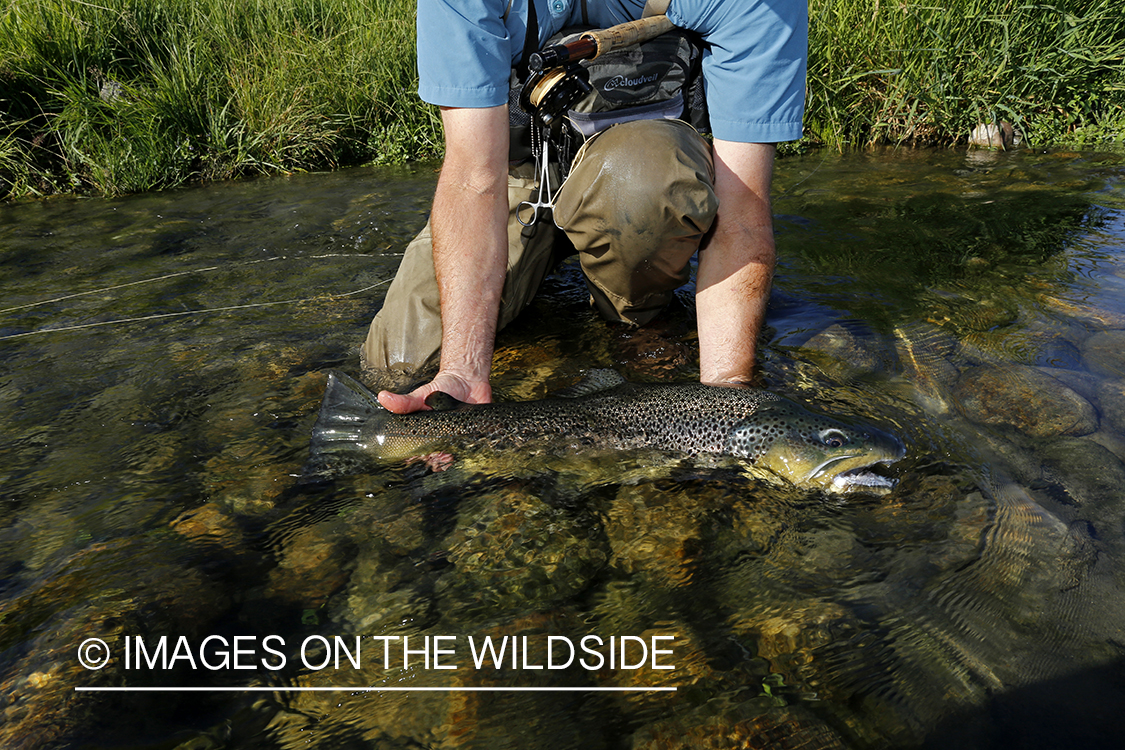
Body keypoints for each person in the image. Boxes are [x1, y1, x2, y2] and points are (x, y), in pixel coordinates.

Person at [362, 0, 808, 413]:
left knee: (640, 180)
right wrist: (461, 370)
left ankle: (638, 321)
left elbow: (742, 212)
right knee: (398, 363)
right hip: (518, 170)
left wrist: (727, 395)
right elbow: (473, 179)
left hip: (644, 170)